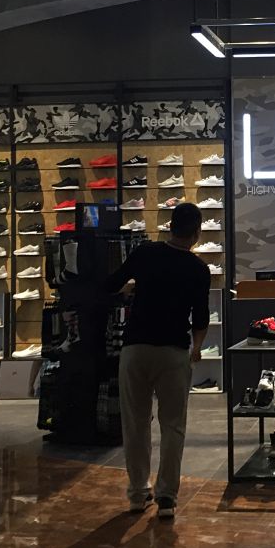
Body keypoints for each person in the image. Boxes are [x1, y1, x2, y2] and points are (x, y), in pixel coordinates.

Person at [105, 201, 210, 519]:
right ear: (197, 232)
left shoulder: (145, 253)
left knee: (135, 424)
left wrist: (131, 290)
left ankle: (138, 494)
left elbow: (112, 283)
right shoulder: (198, 269)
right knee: (173, 425)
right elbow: (201, 317)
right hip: (173, 350)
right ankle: (166, 497)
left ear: (169, 226)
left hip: (136, 347)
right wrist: (196, 347)